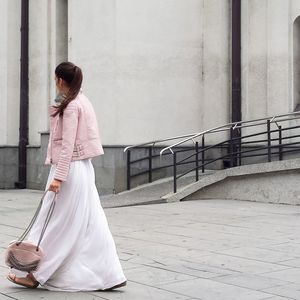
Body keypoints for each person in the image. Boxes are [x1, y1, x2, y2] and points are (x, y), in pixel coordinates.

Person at [7, 62, 127, 291]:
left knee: (55, 222)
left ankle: (35, 273)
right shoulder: (83, 100)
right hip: (82, 169)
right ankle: (110, 274)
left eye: (55, 79)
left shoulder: (71, 106)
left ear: (60, 80)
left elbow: (68, 146)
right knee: (90, 222)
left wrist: (58, 178)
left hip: (69, 170)